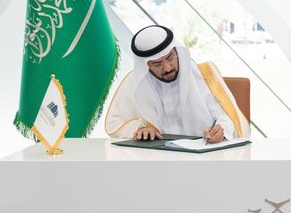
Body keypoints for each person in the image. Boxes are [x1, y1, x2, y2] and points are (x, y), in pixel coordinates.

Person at [105, 25, 250, 141]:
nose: (167, 68)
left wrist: (221, 129)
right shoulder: (134, 83)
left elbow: (229, 116)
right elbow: (114, 124)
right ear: (146, 65)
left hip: (202, 158)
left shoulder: (204, 74)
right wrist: (141, 128)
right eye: (157, 64)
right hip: (157, 159)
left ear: (177, 52)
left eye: (170, 58)